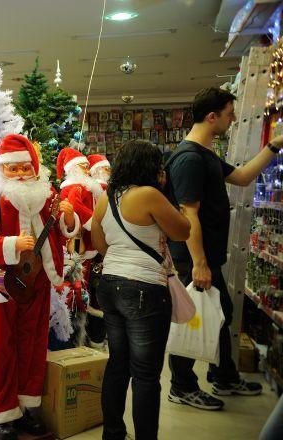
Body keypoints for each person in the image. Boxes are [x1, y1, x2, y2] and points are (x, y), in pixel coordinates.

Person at [166, 87, 283, 410]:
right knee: (192, 318)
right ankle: (182, 385)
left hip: (205, 256)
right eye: (230, 115)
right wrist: (200, 263)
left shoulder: (206, 156)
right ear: (211, 116)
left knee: (219, 315)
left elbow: (243, 177)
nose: (233, 120)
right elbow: (188, 214)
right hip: (194, 257)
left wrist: (274, 145)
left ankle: (223, 375)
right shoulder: (189, 158)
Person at [0, 134, 78, 440]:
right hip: (5, 285)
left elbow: (62, 235)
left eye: (25, 167)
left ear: (35, 168)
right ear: (2, 171)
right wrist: (13, 244)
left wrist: (69, 216)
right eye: (13, 169)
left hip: (38, 283)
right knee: (3, 348)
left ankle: (24, 409)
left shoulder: (47, 200)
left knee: (33, 347)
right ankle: (2, 412)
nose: (21, 174)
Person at [91, 140, 190, 440]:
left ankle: (113, 433)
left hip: (111, 284)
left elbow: (98, 238)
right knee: (146, 374)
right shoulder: (149, 195)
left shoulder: (106, 198)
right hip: (145, 289)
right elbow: (182, 231)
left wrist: (119, 262)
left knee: (118, 365)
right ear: (151, 167)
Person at [58, 148, 106, 344]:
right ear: (71, 168)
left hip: (88, 242)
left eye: (88, 166)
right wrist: (94, 222)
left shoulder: (87, 187)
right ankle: (76, 331)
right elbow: (76, 208)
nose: (87, 169)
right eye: (82, 166)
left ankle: (86, 331)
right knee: (78, 286)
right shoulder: (73, 187)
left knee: (85, 285)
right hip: (79, 244)